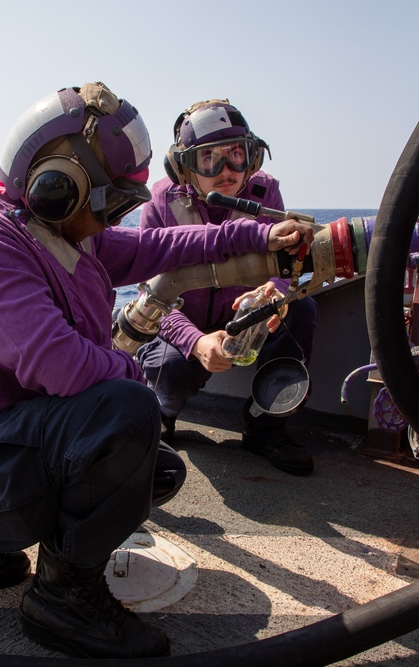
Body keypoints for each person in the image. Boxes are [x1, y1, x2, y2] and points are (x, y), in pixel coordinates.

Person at [0, 82, 313, 659]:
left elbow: (164, 247)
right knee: (127, 414)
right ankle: (63, 601)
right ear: (59, 187)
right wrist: (134, 381)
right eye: (109, 204)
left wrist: (258, 234)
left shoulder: (50, 227)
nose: (112, 221)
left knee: (153, 471)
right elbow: (60, 365)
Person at [136, 99, 319, 476]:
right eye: (209, 160)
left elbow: (283, 267)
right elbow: (149, 296)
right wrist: (196, 342)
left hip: (242, 316)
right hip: (181, 325)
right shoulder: (160, 205)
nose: (225, 171)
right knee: (169, 369)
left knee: (302, 310)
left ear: (252, 158)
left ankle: (265, 425)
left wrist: (273, 292)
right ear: (184, 166)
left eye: (236, 154)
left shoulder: (266, 194)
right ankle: (163, 414)